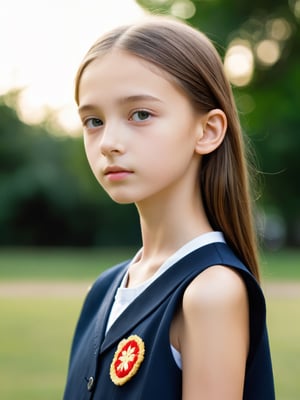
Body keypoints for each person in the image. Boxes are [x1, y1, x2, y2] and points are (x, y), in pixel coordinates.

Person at [63, 16, 275, 400]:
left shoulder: (211, 292)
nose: (108, 141)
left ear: (207, 130)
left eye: (140, 114)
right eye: (93, 120)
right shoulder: (104, 290)